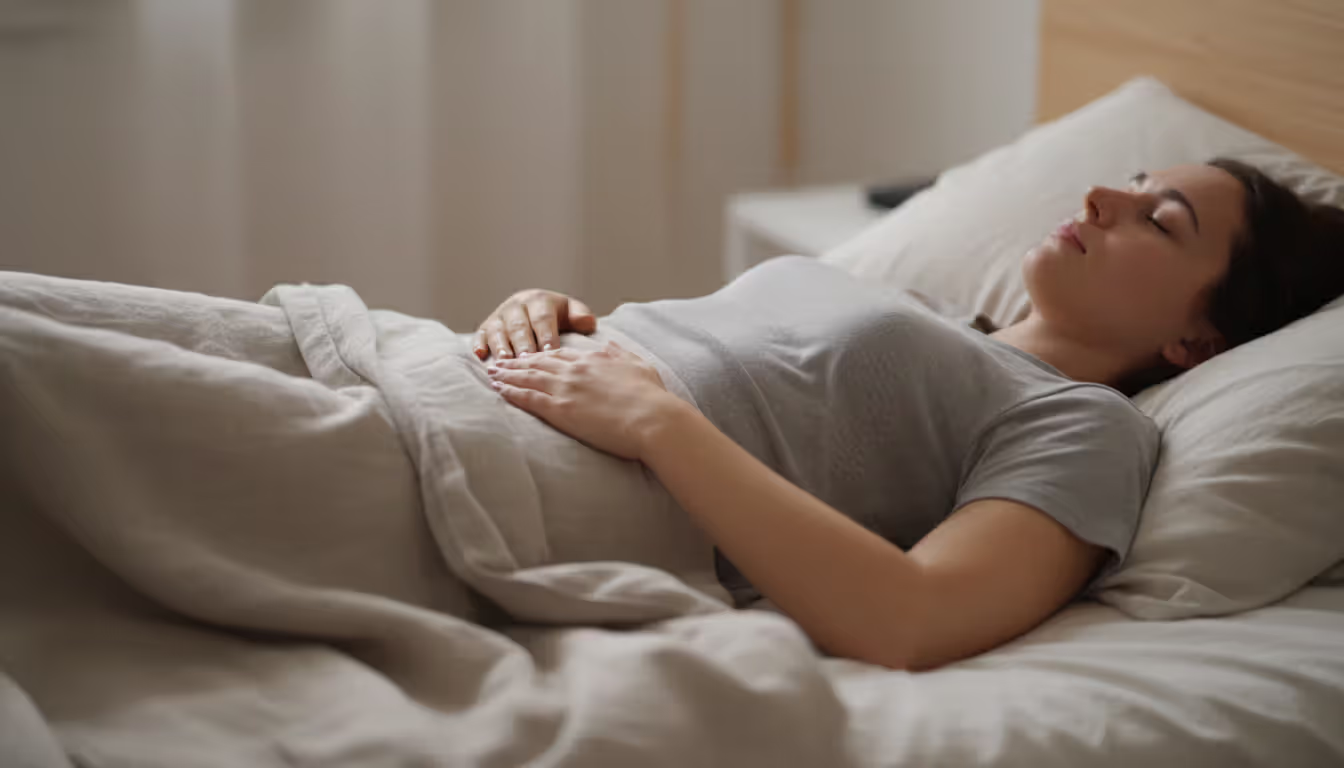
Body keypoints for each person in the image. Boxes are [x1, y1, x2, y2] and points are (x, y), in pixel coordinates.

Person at [470, 159, 1344, 672]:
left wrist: (656, 423)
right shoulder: (925, 310)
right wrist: (547, 316)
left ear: (1199, 339)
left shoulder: (1085, 428)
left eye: (1158, 219)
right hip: (459, 378)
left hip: (532, 476)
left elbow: (913, 616)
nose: (1101, 198)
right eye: (1134, 181)